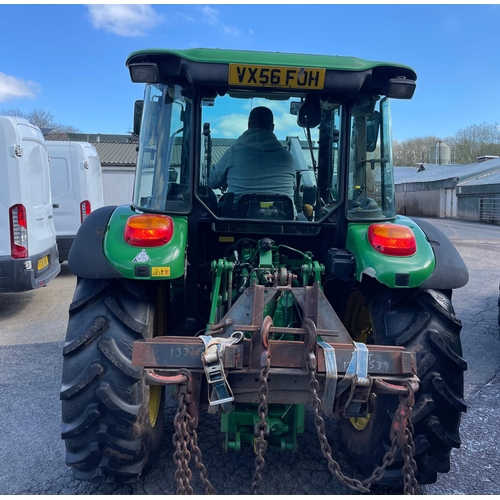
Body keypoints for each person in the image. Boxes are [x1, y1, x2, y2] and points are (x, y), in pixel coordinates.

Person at [208, 107, 296, 204]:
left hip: (238, 217)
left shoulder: (234, 152)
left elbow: (211, 181)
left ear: (249, 125)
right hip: (282, 217)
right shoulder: (288, 157)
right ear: (272, 127)